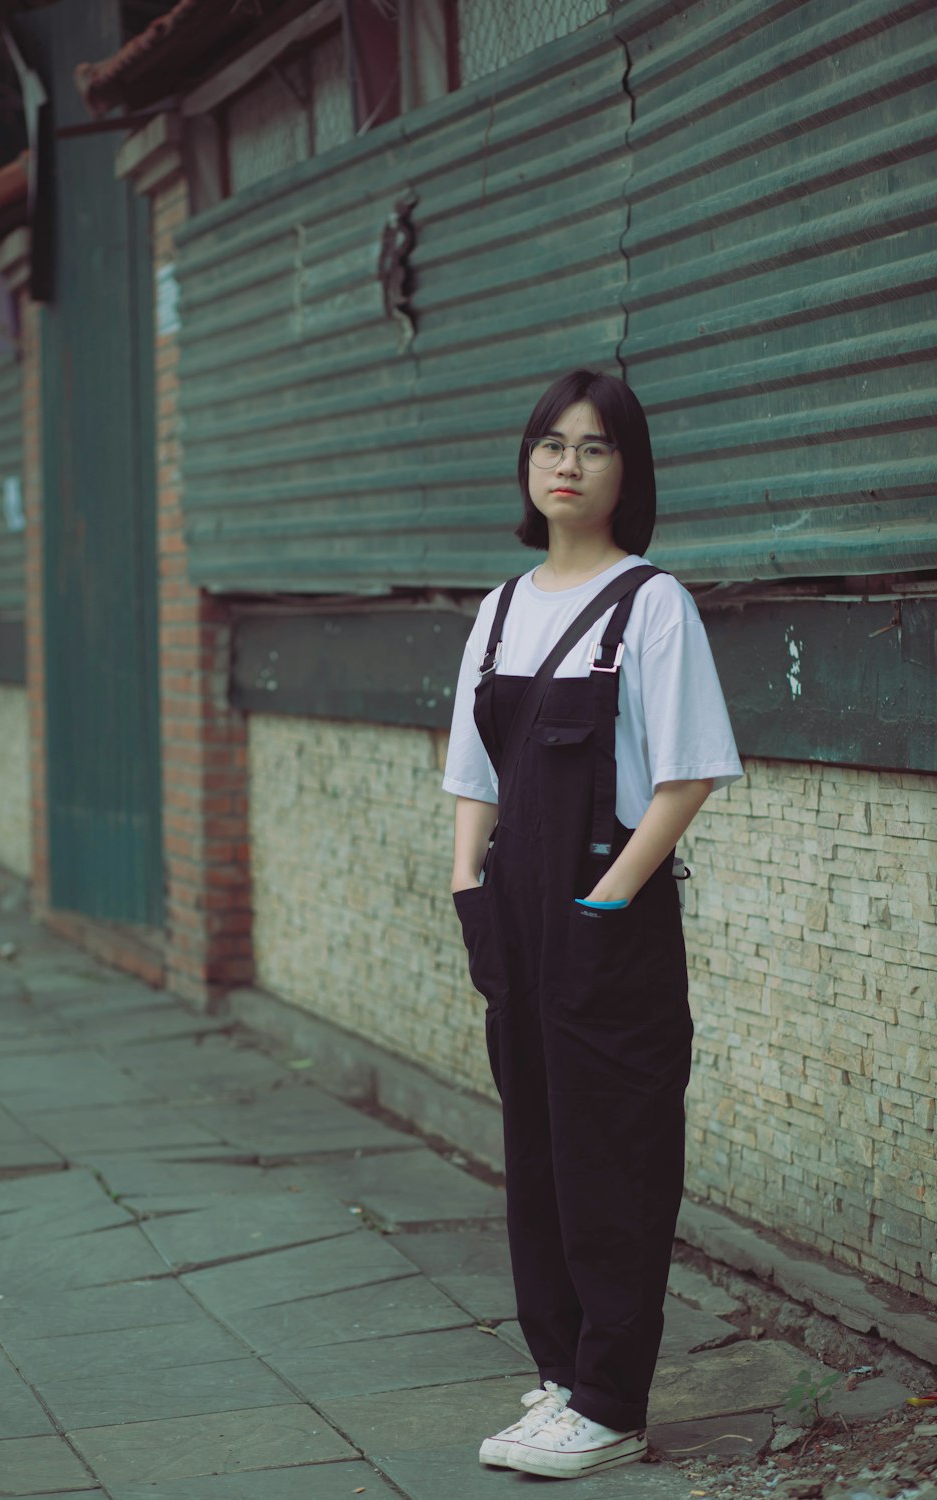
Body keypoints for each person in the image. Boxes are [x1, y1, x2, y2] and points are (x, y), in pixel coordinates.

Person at [442, 368, 743, 1481]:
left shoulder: (649, 602)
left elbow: (686, 775)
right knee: (536, 1152)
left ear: (628, 471)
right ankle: (564, 1372)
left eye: (595, 446)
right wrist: (468, 884)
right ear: (528, 464)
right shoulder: (502, 607)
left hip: (599, 913)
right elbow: (473, 769)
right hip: (511, 917)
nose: (567, 463)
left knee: (610, 1153)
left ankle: (610, 1401)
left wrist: (607, 898)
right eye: (550, 443)